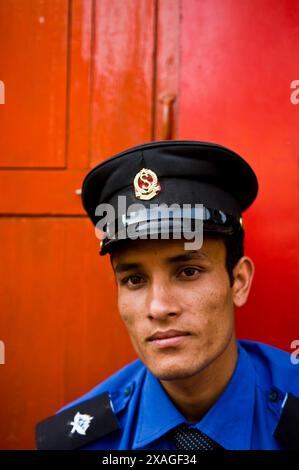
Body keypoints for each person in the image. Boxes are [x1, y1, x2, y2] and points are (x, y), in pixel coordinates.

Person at [36, 140, 299, 450]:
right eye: (135, 279)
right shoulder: (77, 441)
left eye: (188, 272)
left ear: (238, 282)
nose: (159, 307)